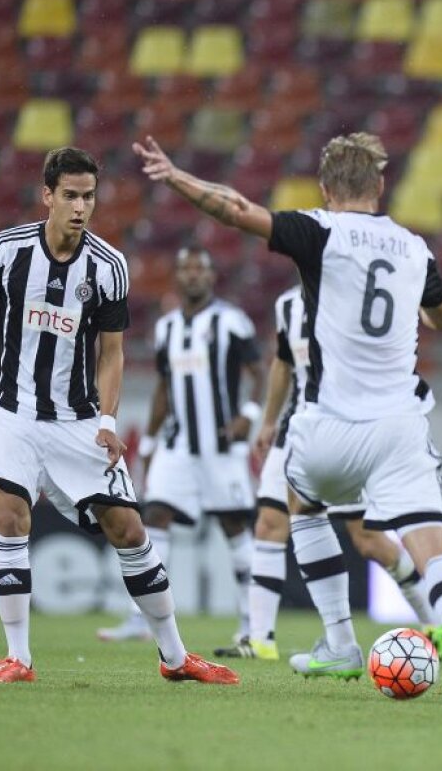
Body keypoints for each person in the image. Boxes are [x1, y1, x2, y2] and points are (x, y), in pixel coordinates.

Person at [133, 132, 442, 713]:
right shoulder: (414, 249)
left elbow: (236, 209)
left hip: (326, 422)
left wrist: (176, 177)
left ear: (325, 189)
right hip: (399, 425)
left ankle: (341, 642)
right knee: (433, 546)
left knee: (301, 506)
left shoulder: (320, 231)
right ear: (380, 186)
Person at [0, 147, 237, 685]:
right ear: (48, 196)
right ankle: (19, 658)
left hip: (78, 421)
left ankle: (175, 658)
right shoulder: (6, 251)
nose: (81, 207)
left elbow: (112, 353)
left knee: (128, 528)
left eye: (89, 196)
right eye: (71, 196)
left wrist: (107, 419)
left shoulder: (109, 267)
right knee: (10, 515)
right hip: (13, 412)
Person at [214, 283, 432, 660]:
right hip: (295, 431)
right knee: (269, 523)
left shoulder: (354, 295)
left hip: (344, 432)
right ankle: (259, 637)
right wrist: (268, 421)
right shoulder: (286, 304)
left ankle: (434, 621)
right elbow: (282, 363)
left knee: (367, 540)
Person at [97, 245, 265, 648]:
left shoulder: (232, 321)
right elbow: (163, 387)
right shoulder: (167, 327)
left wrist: (249, 413)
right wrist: (151, 441)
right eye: (185, 268)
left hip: (221, 445)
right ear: (177, 277)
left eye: (200, 269)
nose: (193, 275)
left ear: (211, 277)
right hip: (177, 443)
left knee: (234, 525)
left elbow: (259, 372)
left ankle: (252, 622)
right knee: (153, 516)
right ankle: (141, 617)